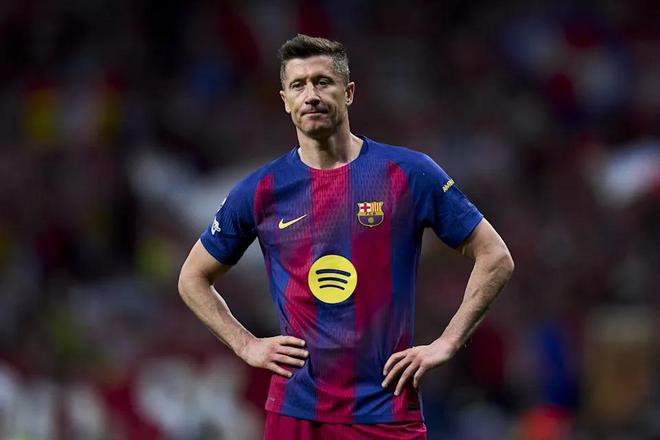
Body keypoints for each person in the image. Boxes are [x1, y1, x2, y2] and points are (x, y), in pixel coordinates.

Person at [178, 34, 514, 440]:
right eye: (298, 85)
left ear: (349, 92)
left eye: (323, 82)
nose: (311, 95)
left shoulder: (408, 173)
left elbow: (495, 256)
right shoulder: (261, 190)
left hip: (386, 410)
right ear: (285, 101)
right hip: (296, 412)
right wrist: (245, 344)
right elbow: (192, 277)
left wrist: (447, 342)